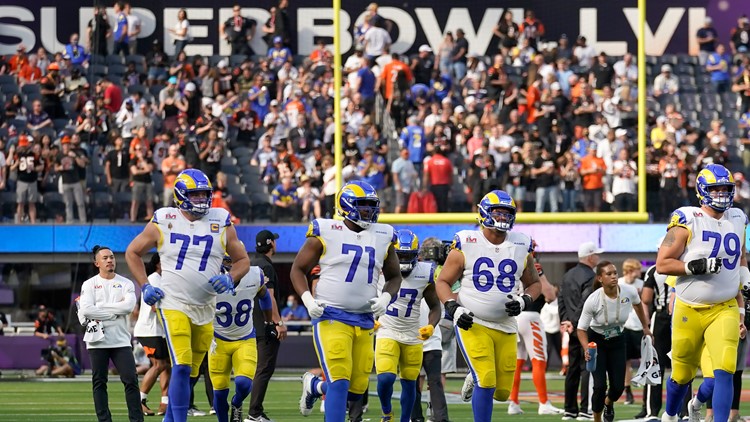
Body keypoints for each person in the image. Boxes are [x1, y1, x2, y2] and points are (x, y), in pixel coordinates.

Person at [125, 168, 250, 422]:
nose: (202, 199)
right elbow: (132, 252)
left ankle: (170, 419)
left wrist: (230, 277)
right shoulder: (164, 218)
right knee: (181, 366)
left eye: (205, 194)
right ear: (180, 195)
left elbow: (243, 260)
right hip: (173, 303)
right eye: (195, 195)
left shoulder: (221, 219)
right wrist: (145, 285)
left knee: (190, 372)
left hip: (206, 306)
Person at [294, 181, 403, 421]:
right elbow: (297, 269)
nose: (368, 211)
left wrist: (386, 296)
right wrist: (308, 300)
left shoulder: (384, 235)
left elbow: (395, 276)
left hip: (364, 319)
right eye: (362, 206)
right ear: (346, 206)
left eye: (371, 206)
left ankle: (314, 387)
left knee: (356, 391)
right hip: (331, 315)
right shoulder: (326, 230)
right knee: (340, 381)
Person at [435, 190, 542, 422]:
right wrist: (454, 307)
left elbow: (534, 283)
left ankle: (474, 376)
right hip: (472, 321)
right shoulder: (467, 241)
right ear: (484, 212)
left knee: (503, 392)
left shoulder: (522, 244)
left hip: (506, 324)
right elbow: (442, 281)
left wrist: (525, 300)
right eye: (498, 212)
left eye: (507, 212)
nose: (502, 217)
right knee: (487, 379)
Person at [656, 163, 749, 422]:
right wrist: (691, 266)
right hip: (689, 307)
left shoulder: (740, 218)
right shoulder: (686, 219)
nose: (721, 193)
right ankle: (671, 413)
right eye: (715, 188)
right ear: (702, 190)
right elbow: (663, 263)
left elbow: (741, 257)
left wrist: (745, 289)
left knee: (725, 370)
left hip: (724, 306)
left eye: (726, 188)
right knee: (682, 374)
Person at [374, 230, 442, 422]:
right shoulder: (380, 268)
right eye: (399, 256)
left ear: (416, 255)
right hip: (387, 329)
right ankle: (387, 411)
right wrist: (369, 316)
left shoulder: (425, 273)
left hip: (412, 334)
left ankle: (405, 420)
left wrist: (431, 325)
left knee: (410, 384)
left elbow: (435, 305)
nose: (403, 260)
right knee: (385, 379)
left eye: (407, 256)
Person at [577, 261, 653, 422]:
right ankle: (597, 418)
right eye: (609, 274)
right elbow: (581, 329)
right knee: (599, 386)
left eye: (615, 273)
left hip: (618, 339)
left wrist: (645, 327)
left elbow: (638, 305)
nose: (613, 276)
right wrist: (586, 348)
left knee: (618, 387)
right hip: (597, 342)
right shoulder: (593, 299)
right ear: (600, 278)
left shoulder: (629, 291)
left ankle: (608, 402)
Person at [209, 252, 278, 422]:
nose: (233, 264)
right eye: (228, 260)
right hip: (218, 341)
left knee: (244, 383)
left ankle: (237, 402)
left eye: (236, 259)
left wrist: (269, 322)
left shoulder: (255, 274)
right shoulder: (209, 277)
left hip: (244, 338)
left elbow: (264, 296)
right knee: (219, 393)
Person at [77, 245, 142, 422]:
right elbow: (86, 310)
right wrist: (114, 312)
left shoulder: (126, 283)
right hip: (97, 341)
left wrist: (98, 308)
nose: (109, 260)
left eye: (111, 257)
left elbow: (128, 307)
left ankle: (137, 419)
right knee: (99, 382)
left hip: (121, 341)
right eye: (105, 258)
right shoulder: (89, 284)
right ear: (96, 262)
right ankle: (104, 420)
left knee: (131, 380)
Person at [500, 244, 563, 416]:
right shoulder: (533, 266)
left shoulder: (508, 264)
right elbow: (549, 294)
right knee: (538, 360)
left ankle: (513, 402)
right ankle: (543, 403)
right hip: (530, 316)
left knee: (518, 362)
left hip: (512, 318)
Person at [559, 241, 604, 420]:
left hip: (571, 327)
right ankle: (586, 408)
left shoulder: (568, 275)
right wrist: (577, 323)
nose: (598, 258)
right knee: (588, 367)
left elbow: (561, 299)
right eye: (596, 255)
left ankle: (570, 408)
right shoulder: (591, 276)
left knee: (572, 368)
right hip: (586, 328)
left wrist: (566, 321)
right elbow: (586, 303)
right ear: (590, 256)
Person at [247, 230, 288, 422]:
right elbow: (269, 296)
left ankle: (252, 410)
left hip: (250, 324)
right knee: (264, 369)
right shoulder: (266, 266)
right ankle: (254, 412)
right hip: (265, 325)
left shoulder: (251, 264)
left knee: (256, 369)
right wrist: (278, 322)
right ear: (271, 244)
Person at [133, 253, 170, 417]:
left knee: (166, 365)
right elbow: (156, 306)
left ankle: (165, 403)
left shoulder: (161, 278)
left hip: (158, 331)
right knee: (159, 365)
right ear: (158, 264)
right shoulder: (155, 278)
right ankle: (139, 400)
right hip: (149, 330)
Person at [618, 259, 644, 406]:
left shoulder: (641, 284)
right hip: (624, 325)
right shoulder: (620, 283)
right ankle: (628, 391)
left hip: (639, 326)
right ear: (630, 270)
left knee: (644, 359)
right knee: (625, 361)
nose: (640, 272)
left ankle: (644, 388)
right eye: (637, 269)